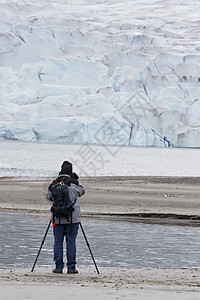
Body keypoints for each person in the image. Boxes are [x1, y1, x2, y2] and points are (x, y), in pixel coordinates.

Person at [46, 161, 85, 274]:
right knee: (71, 241)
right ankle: (71, 268)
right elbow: (82, 191)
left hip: (56, 218)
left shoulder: (53, 184)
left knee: (57, 241)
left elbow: (49, 196)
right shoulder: (74, 183)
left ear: (61, 171)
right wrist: (76, 180)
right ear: (71, 172)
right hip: (73, 218)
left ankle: (58, 267)